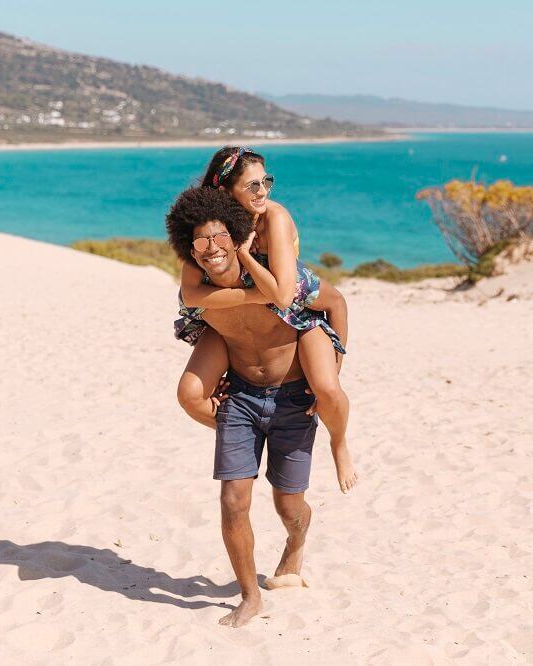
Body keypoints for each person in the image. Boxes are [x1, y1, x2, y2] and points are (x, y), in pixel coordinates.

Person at [165, 187, 348, 628]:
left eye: (219, 237)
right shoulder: (200, 294)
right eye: (200, 242)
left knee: (290, 508)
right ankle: (250, 597)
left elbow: (334, 301)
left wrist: (338, 360)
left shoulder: (276, 280)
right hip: (241, 400)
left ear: (236, 236)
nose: (211, 250)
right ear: (189, 250)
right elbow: (196, 311)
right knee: (233, 500)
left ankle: (296, 543)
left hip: (294, 401)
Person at [175, 146, 358, 493]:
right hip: (260, 297)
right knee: (189, 394)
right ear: (225, 191)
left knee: (328, 386)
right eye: (252, 186)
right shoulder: (211, 226)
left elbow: (285, 294)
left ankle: (339, 443)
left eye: (266, 182)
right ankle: (246, 431)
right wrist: (252, 292)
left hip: (291, 292)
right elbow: (191, 295)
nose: (263, 192)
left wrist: (244, 252)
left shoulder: (274, 217)